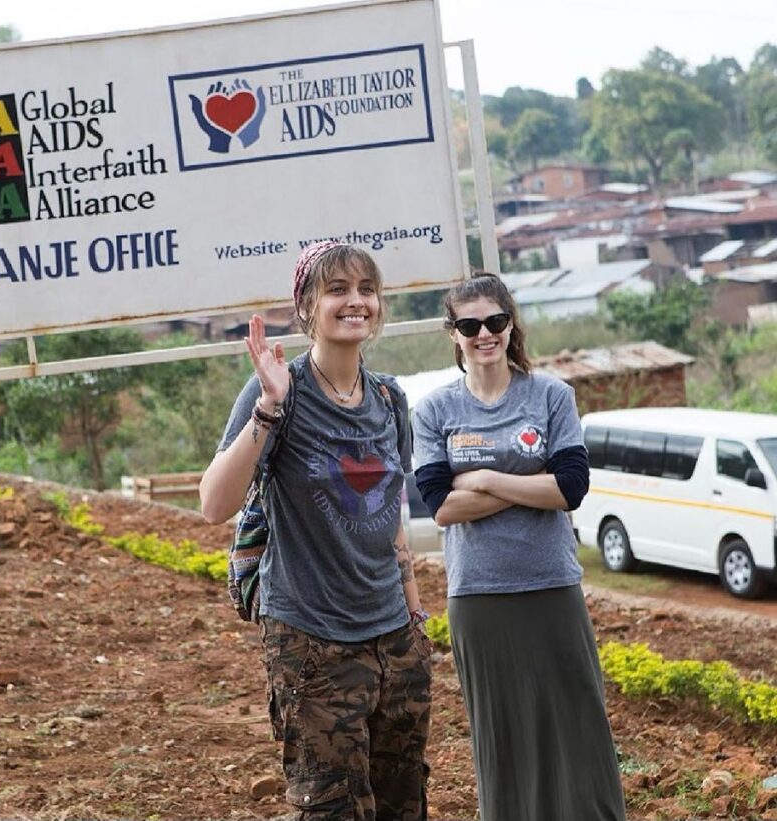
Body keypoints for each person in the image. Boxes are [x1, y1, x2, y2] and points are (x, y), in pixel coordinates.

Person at [200, 241, 432, 820]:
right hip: (312, 642)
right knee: (331, 808)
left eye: (366, 290)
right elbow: (213, 503)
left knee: (404, 802)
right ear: (306, 307)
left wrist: (414, 617)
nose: (356, 302)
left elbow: (391, 511)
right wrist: (269, 409)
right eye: (337, 290)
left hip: (394, 640)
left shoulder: (388, 398)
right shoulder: (278, 390)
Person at [410, 272, 626, 821]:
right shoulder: (435, 411)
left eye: (496, 321)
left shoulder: (552, 396)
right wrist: (531, 482)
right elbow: (440, 507)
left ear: (510, 325)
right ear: (453, 333)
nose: (485, 334)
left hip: (551, 586)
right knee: (500, 731)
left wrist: (481, 477)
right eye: (470, 324)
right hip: (478, 597)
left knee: (577, 720)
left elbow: (570, 489)